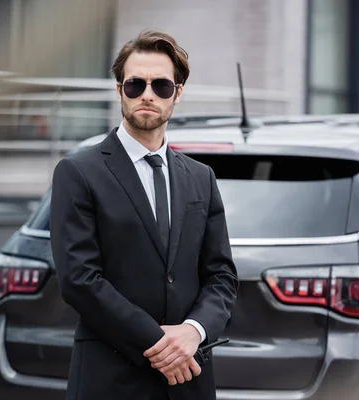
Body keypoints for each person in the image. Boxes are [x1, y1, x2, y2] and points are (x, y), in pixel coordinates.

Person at [49, 29, 239, 400]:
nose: (147, 95)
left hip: (189, 379)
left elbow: (221, 275)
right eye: (135, 84)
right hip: (110, 379)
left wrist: (193, 331)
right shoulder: (78, 171)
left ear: (178, 94)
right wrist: (160, 344)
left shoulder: (201, 177)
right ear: (119, 90)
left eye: (161, 86)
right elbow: (79, 279)